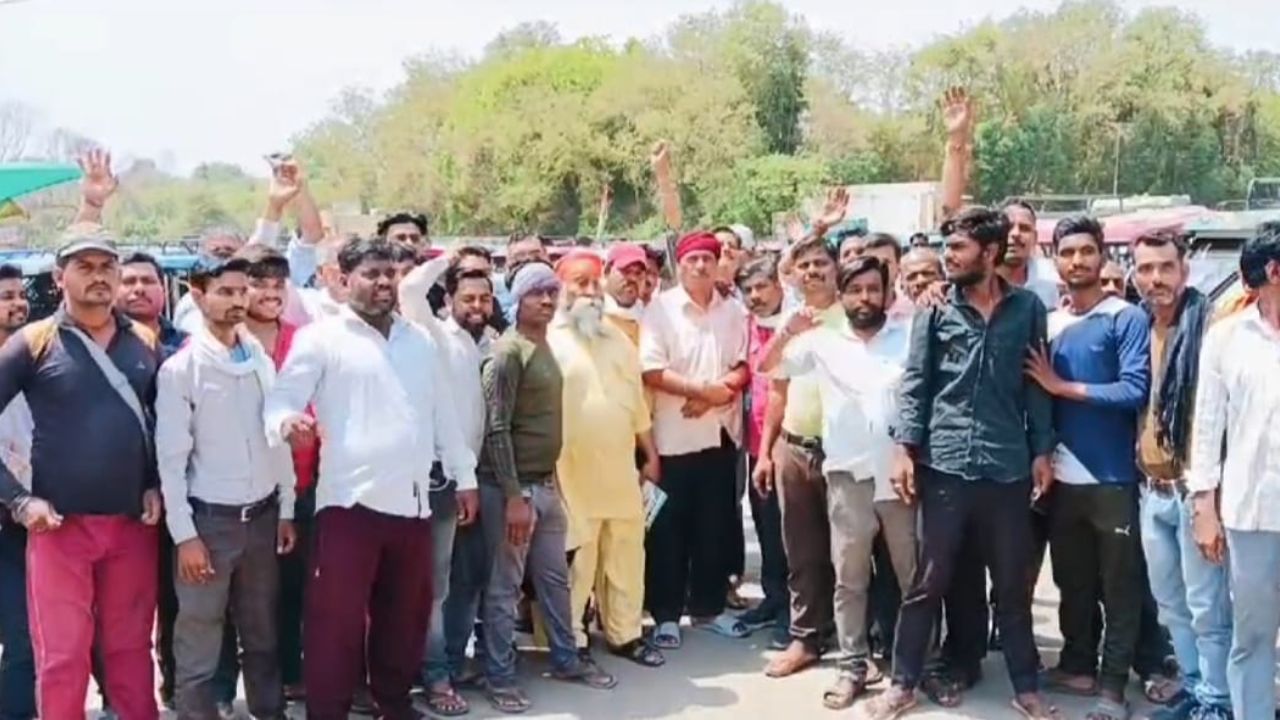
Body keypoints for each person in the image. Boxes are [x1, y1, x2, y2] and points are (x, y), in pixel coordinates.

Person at [265, 237, 476, 720]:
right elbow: (281, 399)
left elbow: (443, 412)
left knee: (404, 622)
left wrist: (463, 473)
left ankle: (394, 706)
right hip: (349, 506)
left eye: (390, 273)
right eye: (371, 273)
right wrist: (286, 424)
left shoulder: (419, 340)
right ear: (344, 279)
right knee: (335, 627)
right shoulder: (321, 338)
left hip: (415, 506)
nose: (383, 282)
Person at [857, 207, 1056, 720]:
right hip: (944, 466)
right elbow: (917, 384)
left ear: (989, 254)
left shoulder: (1028, 309)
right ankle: (902, 685)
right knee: (929, 581)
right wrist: (905, 449)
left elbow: (1036, 384)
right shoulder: (935, 309)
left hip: (1008, 466)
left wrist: (1041, 451)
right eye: (947, 249)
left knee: (1013, 585)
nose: (949, 258)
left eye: (958, 249)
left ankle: (1027, 687)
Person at [0, 228, 164, 720]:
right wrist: (17, 499)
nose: (98, 277)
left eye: (105, 267)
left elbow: (160, 424)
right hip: (58, 529)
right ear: (59, 277)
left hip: (132, 525)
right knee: (63, 657)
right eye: (84, 267)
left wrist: (154, 480)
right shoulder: (33, 342)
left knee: (131, 653)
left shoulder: (145, 340)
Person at [758, 256, 917, 710]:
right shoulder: (821, 342)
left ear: (888, 293)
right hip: (847, 477)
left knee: (911, 578)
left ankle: (912, 669)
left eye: (873, 289)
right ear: (842, 295)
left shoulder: (907, 338)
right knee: (849, 581)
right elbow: (771, 369)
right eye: (856, 290)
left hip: (899, 475)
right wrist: (788, 331)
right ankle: (852, 667)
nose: (865, 298)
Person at [155, 256, 297, 720]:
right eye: (226, 292)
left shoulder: (255, 356)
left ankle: (268, 711)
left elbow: (275, 438)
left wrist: (288, 508)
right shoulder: (181, 370)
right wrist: (186, 537)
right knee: (198, 638)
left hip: (261, 518)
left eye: (242, 291)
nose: (238, 301)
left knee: (262, 634)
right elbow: (172, 462)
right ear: (197, 295)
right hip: (209, 524)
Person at [1023, 216, 1150, 719]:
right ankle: (1077, 665)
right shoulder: (1051, 323)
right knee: (1072, 582)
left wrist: (1062, 386)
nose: (1077, 261)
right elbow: (1037, 400)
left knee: (1119, 589)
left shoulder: (1125, 318)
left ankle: (1113, 689)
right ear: (1055, 259)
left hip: (1112, 477)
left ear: (1102, 257)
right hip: (1061, 477)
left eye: (1086, 252)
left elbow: (1132, 390)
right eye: (1068, 252)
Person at [479, 259, 617, 713]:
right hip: (512, 492)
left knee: (555, 579)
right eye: (536, 292)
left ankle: (566, 658)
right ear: (516, 300)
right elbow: (497, 429)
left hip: (545, 485)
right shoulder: (507, 353)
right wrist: (515, 496)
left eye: (551, 292)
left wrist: (548, 484)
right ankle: (498, 677)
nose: (546, 299)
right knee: (504, 588)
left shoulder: (546, 346)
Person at [1128, 230, 1231, 720]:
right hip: (1151, 491)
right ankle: (1194, 688)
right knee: (1171, 606)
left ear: (1184, 272)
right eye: (1145, 269)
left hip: (1194, 493)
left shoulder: (1210, 328)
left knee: (1208, 606)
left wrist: (1209, 498)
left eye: (1165, 268)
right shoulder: (1136, 326)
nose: (1155, 279)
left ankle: (1217, 699)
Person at [549, 250, 665, 669]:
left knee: (626, 552)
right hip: (569, 471)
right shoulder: (548, 339)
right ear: (560, 288)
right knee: (579, 558)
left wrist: (650, 453)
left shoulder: (617, 337)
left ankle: (625, 633)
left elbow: (636, 402)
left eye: (595, 282)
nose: (590, 290)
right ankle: (573, 639)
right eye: (580, 282)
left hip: (619, 467)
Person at [1186, 230, 1280, 720]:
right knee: (1254, 635)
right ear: (1274, 272)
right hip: (1252, 515)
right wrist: (1204, 505)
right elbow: (1207, 426)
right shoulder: (1227, 338)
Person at [640, 231, 750, 649]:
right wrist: (703, 393)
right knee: (667, 531)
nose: (701, 266)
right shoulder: (660, 311)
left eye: (707, 258)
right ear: (679, 265)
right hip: (672, 440)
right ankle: (666, 616)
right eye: (693, 260)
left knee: (715, 527)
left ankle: (709, 609)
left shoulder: (733, 311)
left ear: (718, 262)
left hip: (720, 435)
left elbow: (744, 365)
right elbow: (650, 370)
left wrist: (717, 394)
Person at [751, 235, 844, 677]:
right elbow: (771, 378)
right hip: (795, 447)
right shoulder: (793, 319)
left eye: (820, 262)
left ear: (837, 267)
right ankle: (806, 637)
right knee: (802, 551)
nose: (812, 271)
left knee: (850, 552)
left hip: (846, 451)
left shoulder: (858, 312)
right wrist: (766, 452)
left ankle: (856, 642)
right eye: (804, 265)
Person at [397, 254, 484, 717]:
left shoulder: (474, 344)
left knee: (448, 584)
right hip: (425, 481)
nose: (478, 304)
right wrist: (452, 255)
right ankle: (431, 675)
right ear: (447, 300)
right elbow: (410, 290)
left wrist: (468, 478)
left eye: (486, 296)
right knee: (425, 588)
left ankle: (441, 664)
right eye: (466, 295)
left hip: (458, 482)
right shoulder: (431, 333)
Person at [237, 244, 318, 704]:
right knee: (251, 601)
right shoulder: (226, 342)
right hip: (246, 489)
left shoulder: (304, 339)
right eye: (259, 285)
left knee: (295, 589)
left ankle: (293, 673)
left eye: (277, 286)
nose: (270, 294)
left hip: (305, 482)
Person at [734, 257, 791, 648]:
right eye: (749, 290)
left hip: (792, 446)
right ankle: (774, 599)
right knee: (769, 529)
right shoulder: (747, 327)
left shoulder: (799, 324)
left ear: (780, 286)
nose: (755, 296)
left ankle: (799, 614)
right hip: (756, 447)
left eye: (762, 286)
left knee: (796, 536)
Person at [0, 263, 34, 720]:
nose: (17, 303)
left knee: (22, 633)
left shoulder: (37, 358)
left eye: (19, 294)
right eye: (5, 295)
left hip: (21, 520)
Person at [603, 242, 650, 346]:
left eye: (638, 273)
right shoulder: (591, 315)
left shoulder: (649, 316)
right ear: (607, 271)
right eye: (626, 271)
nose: (633, 278)